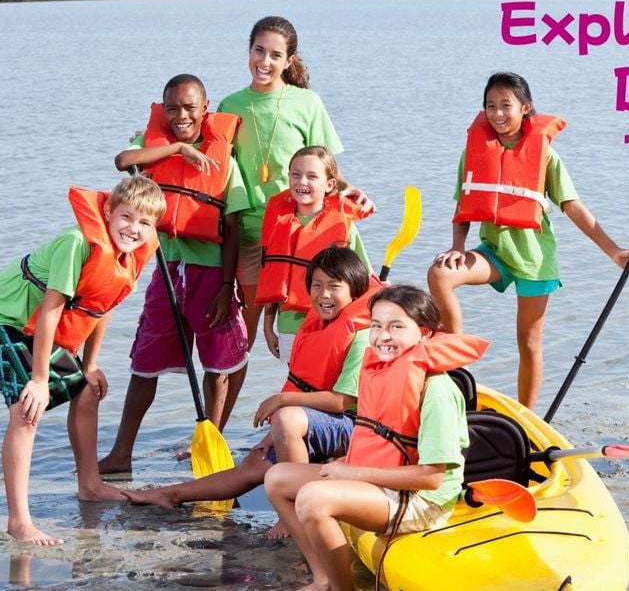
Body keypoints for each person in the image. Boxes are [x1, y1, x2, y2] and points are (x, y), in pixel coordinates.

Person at [124, 247, 381, 540]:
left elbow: (340, 401)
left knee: (285, 419)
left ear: (356, 290)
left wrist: (282, 402)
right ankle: (170, 494)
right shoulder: (316, 326)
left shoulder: (361, 339)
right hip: (315, 422)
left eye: (335, 287)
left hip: (352, 428)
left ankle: (297, 510)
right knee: (253, 465)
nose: (324, 294)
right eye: (317, 285)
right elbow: (302, 386)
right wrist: (271, 437)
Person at [428, 72, 629, 410]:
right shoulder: (473, 153)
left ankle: (527, 417)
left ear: (525, 108)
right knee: (440, 274)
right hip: (494, 253)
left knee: (528, 342)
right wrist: (457, 247)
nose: (497, 114)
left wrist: (613, 251)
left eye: (506, 106)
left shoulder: (546, 156)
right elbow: (463, 206)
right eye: (490, 106)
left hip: (534, 261)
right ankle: (454, 359)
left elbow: (573, 207)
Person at [264, 285, 488, 591]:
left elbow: (433, 478)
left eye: (396, 326)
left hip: (422, 501)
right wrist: (347, 462)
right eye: (376, 326)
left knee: (312, 498)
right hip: (381, 481)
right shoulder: (382, 372)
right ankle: (325, 578)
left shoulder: (437, 391)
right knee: (277, 478)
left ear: (424, 333)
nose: (383, 336)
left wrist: (350, 472)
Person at [0, 176, 166, 545]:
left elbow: (100, 306)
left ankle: (90, 485)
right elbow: (49, 312)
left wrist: (90, 365)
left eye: (144, 223)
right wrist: (40, 380)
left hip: (35, 330)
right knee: (28, 409)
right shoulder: (78, 243)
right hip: (8, 320)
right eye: (126, 217)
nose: (134, 229)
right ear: (107, 211)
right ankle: (19, 521)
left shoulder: (131, 255)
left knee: (86, 392)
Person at [98, 74, 250, 474]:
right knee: (144, 360)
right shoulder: (155, 154)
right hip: (167, 271)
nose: (182, 115)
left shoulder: (224, 161)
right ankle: (121, 453)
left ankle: (210, 447)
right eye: (173, 108)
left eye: (190, 107)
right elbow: (122, 162)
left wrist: (226, 287)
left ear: (206, 107)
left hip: (210, 273)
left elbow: (232, 228)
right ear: (163, 111)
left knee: (218, 366)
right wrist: (179, 148)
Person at [217, 15, 373, 352]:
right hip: (247, 234)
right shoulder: (229, 105)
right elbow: (214, 164)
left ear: (289, 61)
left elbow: (328, 169)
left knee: (307, 324)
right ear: (248, 51)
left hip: (298, 232)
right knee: (241, 340)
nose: (265, 62)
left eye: (275, 55)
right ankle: (229, 407)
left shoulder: (307, 103)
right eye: (259, 51)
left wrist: (348, 188)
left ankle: (308, 397)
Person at [256, 145, 373, 362]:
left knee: (326, 388)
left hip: (332, 323)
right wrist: (267, 326)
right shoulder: (277, 222)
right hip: (289, 326)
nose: (302, 182)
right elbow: (272, 273)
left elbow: (365, 277)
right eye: (295, 175)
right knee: (299, 387)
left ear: (330, 184)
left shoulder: (342, 225)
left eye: (312, 176)